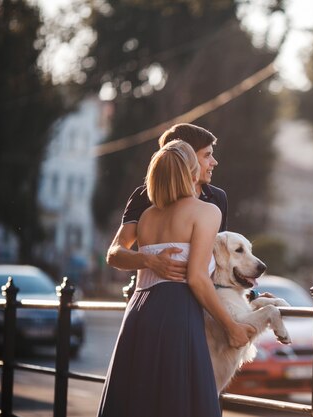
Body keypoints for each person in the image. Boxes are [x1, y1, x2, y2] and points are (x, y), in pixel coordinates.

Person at [97, 140, 254, 417]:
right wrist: (231, 327)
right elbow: (196, 278)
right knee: (179, 398)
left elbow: (120, 255)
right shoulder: (207, 212)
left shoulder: (146, 216)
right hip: (178, 313)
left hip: (138, 311)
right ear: (191, 172)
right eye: (206, 158)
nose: (212, 164)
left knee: (139, 398)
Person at [106, 123, 227, 281]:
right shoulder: (144, 196)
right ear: (186, 155)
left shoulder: (218, 197)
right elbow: (115, 254)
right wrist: (149, 260)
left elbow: (221, 260)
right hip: (154, 292)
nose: (214, 162)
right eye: (207, 155)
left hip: (202, 298)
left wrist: (249, 295)